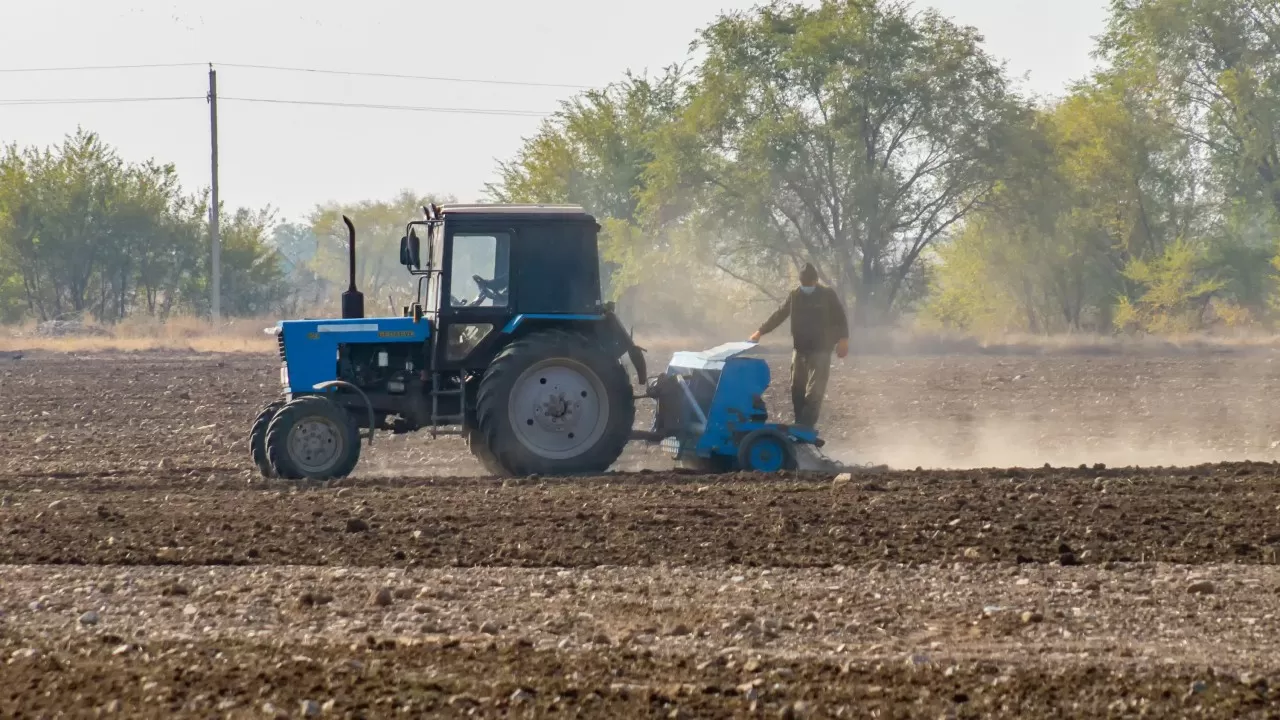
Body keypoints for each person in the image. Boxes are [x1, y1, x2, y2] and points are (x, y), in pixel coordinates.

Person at [748, 263, 849, 428]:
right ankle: (799, 424)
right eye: (803, 284)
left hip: (821, 349)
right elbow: (780, 314)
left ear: (815, 281)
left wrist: (843, 339)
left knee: (815, 391)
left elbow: (840, 317)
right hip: (800, 348)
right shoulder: (795, 295)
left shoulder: (827, 294)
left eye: (809, 283)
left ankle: (806, 427)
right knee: (797, 389)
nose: (806, 286)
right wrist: (760, 332)